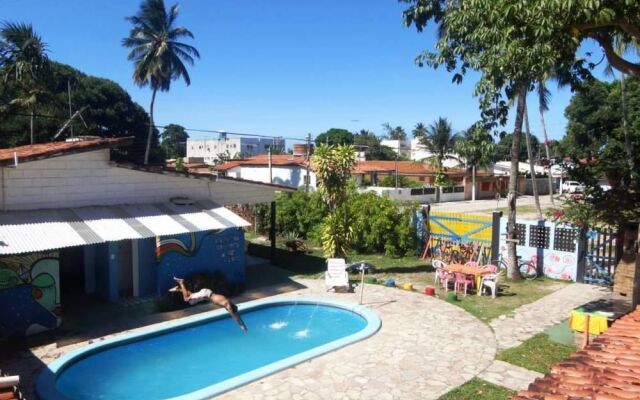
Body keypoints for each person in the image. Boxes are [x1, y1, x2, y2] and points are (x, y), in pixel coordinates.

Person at [170, 277, 247, 332]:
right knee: (187, 299)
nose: (228, 310)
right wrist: (241, 326)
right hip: (206, 295)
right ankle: (181, 282)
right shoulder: (228, 305)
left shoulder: (229, 302)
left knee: (191, 299)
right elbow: (235, 317)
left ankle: (178, 289)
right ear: (231, 308)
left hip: (207, 294)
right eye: (230, 310)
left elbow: (237, 314)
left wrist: (244, 325)